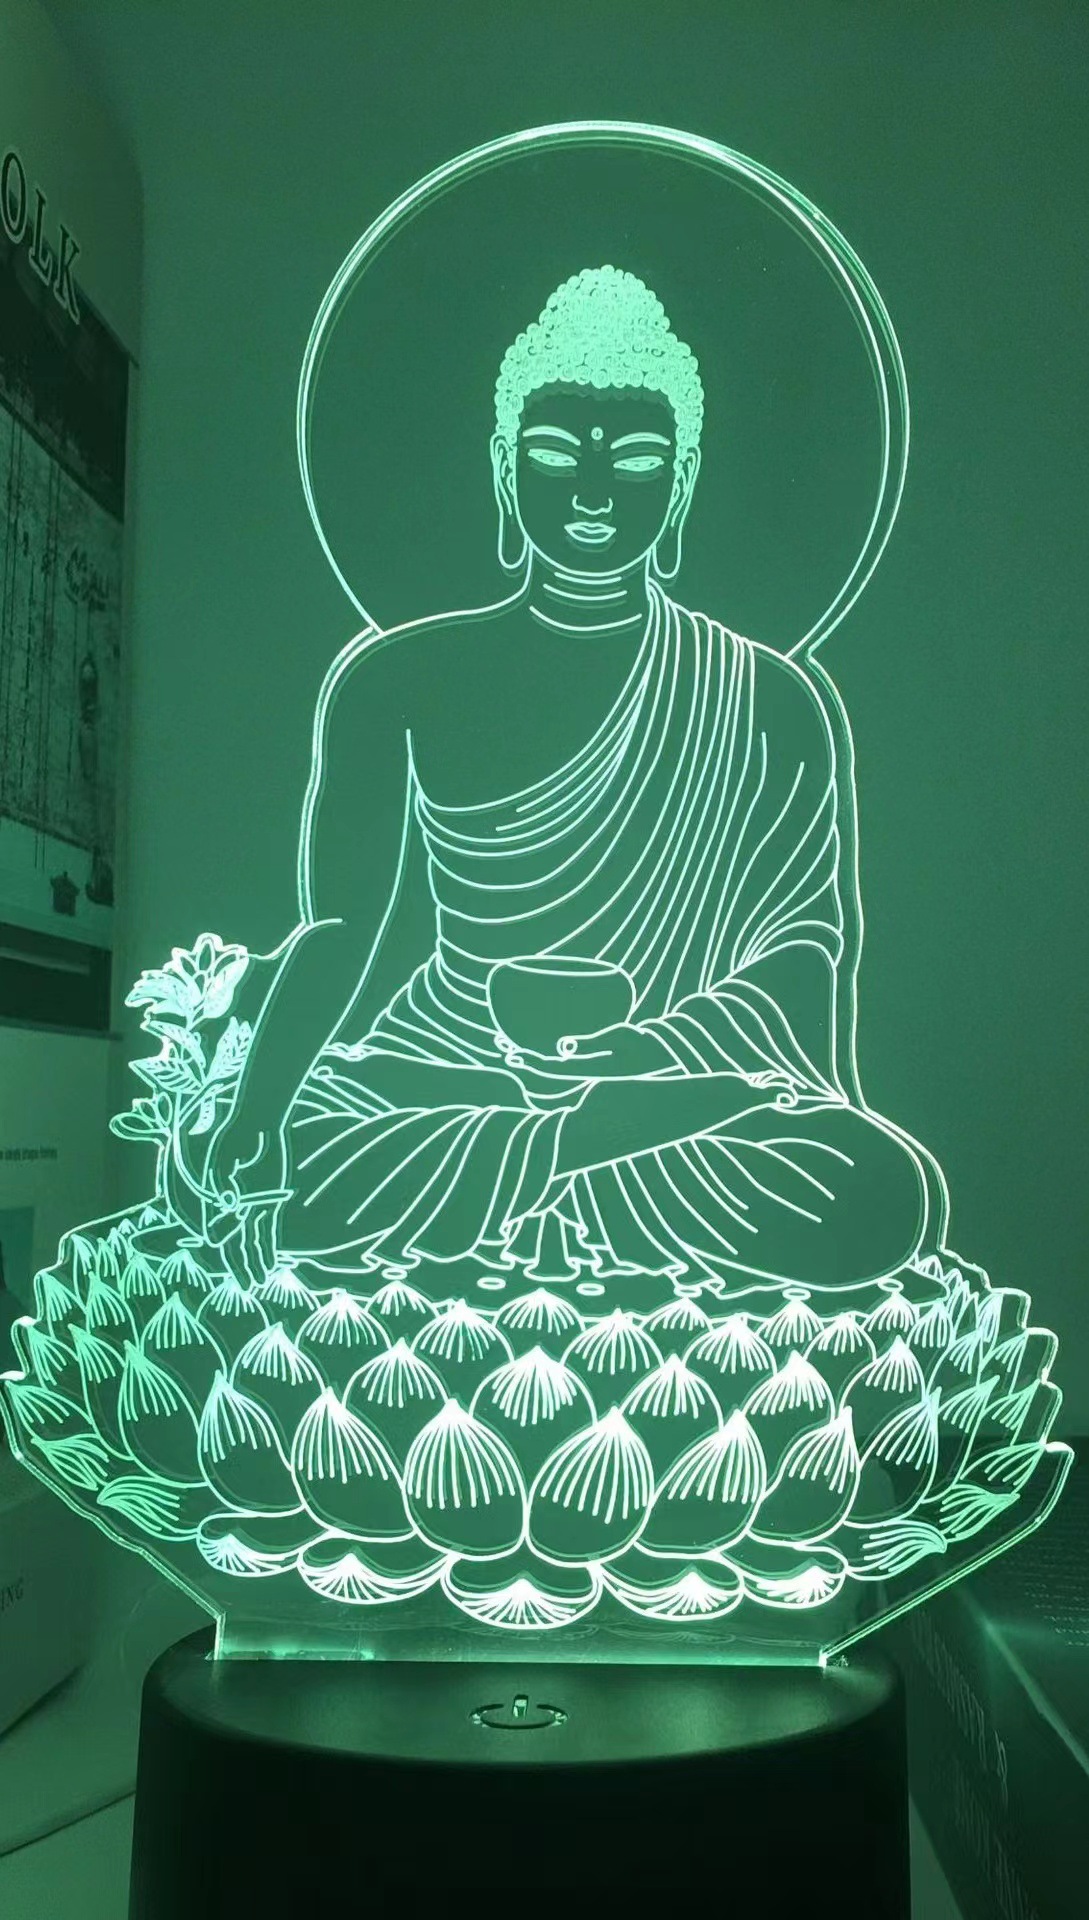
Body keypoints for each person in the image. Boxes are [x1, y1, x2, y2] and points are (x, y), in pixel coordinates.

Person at [206, 266, 941, 1309]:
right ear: (504, 471)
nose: (593, 494)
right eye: (555, 455)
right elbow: (339, 929)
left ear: (681, 483)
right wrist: (259, 1107)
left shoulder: (767, 699)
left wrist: (638, 1057)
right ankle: (569, 1153)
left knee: (874, 1190)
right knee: (306, 1141)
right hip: (455, 1066)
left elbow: (799, 957)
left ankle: (537, 1170)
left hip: (667, 1086)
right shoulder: (394, 679)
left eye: (636, 460)